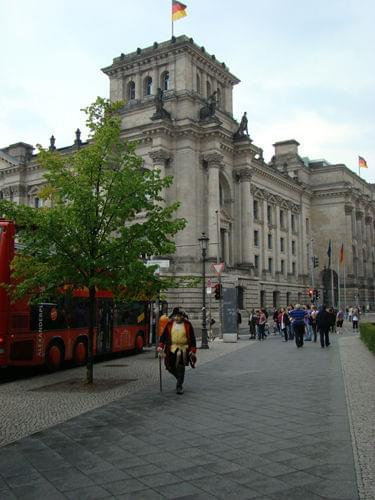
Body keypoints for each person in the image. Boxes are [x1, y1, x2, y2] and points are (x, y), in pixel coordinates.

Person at [157, 308, 196, 395]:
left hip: (183, 349)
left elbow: (192, 338)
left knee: (180, 367)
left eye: (179, 316)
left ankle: (179, 386)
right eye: (176, 316)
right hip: (171, 349)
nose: (177, 317)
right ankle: (179, 378)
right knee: (169, 367)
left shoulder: (187, 324)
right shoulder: (169, 324)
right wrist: (160, 347)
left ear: (182, 316)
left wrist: (193, 350)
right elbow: (163, 337)